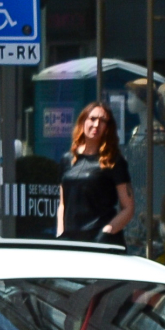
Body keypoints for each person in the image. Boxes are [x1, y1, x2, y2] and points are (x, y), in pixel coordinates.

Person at [55, 102, 134, 246]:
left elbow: (128, 207)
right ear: (83, 121)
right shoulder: (67, 159)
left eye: (102, 121)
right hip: (70, 242)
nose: (96, 124)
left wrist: (107, 232)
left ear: (107, 128)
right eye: (92, 119)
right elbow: (63, 204)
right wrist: (60, 233)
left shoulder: (113, 160)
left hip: (101, 242)